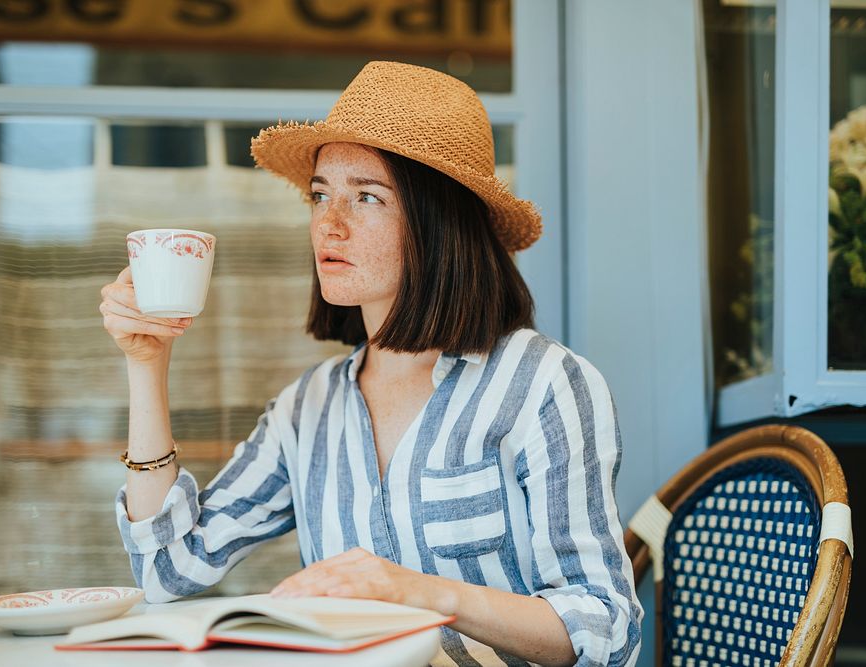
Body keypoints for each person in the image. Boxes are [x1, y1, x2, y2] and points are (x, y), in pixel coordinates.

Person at [99, 61, 642, 666]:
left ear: (439, 222)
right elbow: (167, 568)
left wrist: (415, 591)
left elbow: (606, 628)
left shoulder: (542, 385)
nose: (329, 223)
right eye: (321, 194)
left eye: (367, 197)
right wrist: (146, 364)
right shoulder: (307, 407)